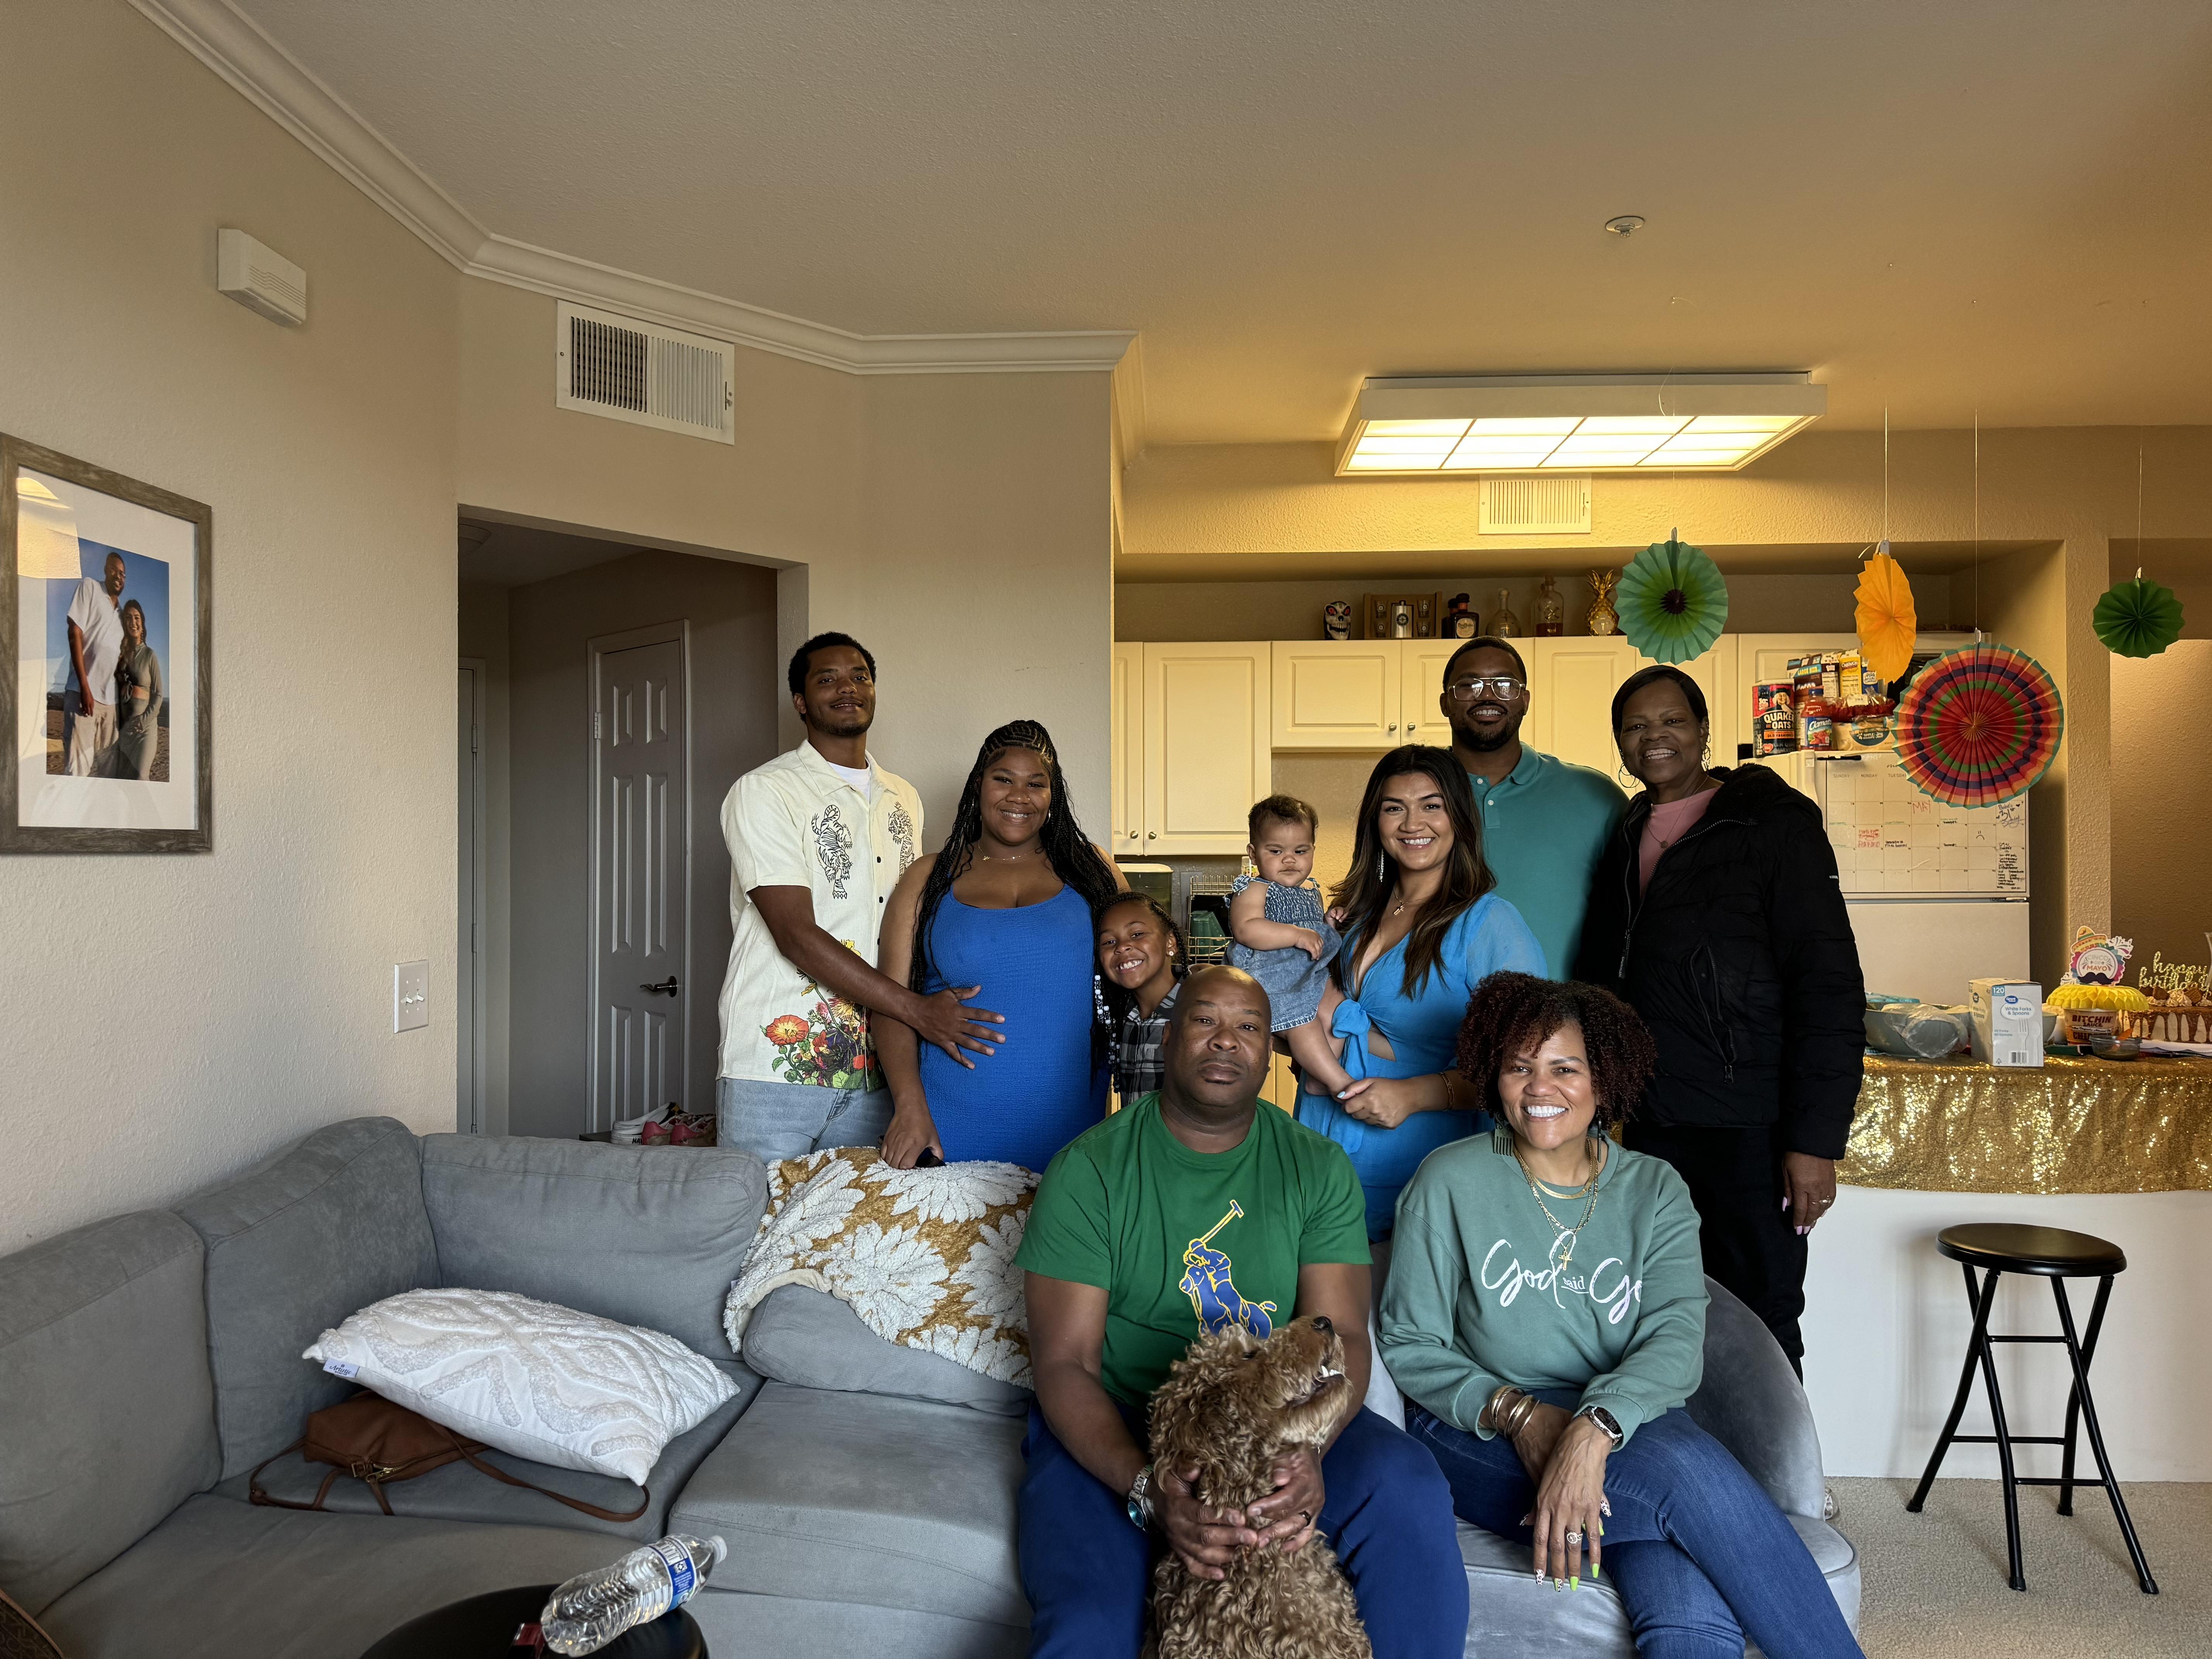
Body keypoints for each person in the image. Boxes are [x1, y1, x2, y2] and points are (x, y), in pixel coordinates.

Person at [1380, 972, 1865, 1659]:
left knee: (1683, 1589)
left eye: (1564, 1067)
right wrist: (1521, 1413)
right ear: (1495, 1077)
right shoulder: (1448, 1178)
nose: (1539, 1087)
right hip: (1479, 1428)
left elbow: (1674, 1335)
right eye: (1519, 1067)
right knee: (1686, 1477)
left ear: (1603, 1080)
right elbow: (1409, 1341)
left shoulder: (1653, 1188)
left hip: (1627, 1418)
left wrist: (1593, 1427)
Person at [1017, 965, 1469, 1659]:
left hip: (1271, 1427)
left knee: (1407, 1485)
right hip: (1119, 1421)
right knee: (1089, 1625)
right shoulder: (1091, 1169)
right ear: (1167, 1039)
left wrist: (1309, 1449)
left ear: (1271, 1051)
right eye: (1204, 1020)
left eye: (1249, 1027)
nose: (1225, 1040)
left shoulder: (1316, 1167)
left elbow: (1340, 1333)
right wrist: (1147, 1486)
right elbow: (1064, 1363)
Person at [1573, 665, 1865, 1372]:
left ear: (1703, 730)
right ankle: (1689, 1480)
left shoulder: (1771, 826)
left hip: (1748, 1124)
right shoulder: (1628, 832)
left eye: (1670, 721)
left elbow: (1826, 984)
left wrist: (1813, 1140)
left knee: (1761, 1315)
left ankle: (1785, 1485)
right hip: (1653, 1119)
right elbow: (1605, 971)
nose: (1654, 737)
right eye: (1636, 725)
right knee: (1663, 1309)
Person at [716, 632, 1003, 1163]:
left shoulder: (905, 797)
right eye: (827, 679)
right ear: (802, 702)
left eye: (860, 677)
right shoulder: (765, 791)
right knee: (753, 1228)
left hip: (879, 1070)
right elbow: (796, 935)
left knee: (850, 1236)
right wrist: (919, 1011)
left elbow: (908, 927)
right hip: (776, 1069)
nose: (847, 688)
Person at [1297, 745, 1546, 1238]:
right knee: (1318, 1314)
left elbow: (1530, 1071)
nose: (1413, 823)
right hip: (1322, 1154)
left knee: (1407, 1311)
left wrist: (1415, 1094)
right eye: (1395, 808)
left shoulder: (1490, 924)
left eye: (1432, 805)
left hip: (1421, 1171)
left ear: (1459, 816)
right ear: (1376, 820)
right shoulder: (1357, 917)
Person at [877, 720, 1125, 1170]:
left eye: (1036, 784)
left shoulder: (1093, 870)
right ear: (978, 786)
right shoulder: (929, 876)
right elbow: (889, 1003)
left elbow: (1137, 982)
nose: (1019, 796)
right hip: (949, 1122)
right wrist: (909, 1110)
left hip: (1072, 1126)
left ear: (1054, 796)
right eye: (1003, 780)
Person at [1441, 636, 1627, 978]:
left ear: (1525, 700)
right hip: (1426, 1026)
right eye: (1470, 685)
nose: (1488, 695)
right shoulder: (1414, 800)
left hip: (1563, 1021)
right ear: (1445, 703)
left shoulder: (1597, 797)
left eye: (1505, 685)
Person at [1226, 795, 1354, 1100]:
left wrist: (1329, 924)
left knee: (1337, 1007)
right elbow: (1246, 928)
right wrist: (1296, 935)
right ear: (1254, 854)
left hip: (1308, 972)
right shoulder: (1255, 888)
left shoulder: (1311, 890)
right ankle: (1338, 1082)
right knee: (1303, 1023)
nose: (1289, 860)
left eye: (1300, 851)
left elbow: (1314, 932)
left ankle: (1314, 1070)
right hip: (1272, 976)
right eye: (1276, 851)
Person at [1094, 891, 1185, 1103]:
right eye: (1109, 942)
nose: (1122, 947)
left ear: (1171, 942)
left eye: (1137, 934)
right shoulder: (1119, 1018)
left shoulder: (1197, 1010)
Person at [63, 551, 127, 777]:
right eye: (115, 570)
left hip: (111, 704)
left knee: (110, 773)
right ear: (105, 570)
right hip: (84, 696)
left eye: (123, 574)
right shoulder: (90, 587)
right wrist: (85, 687)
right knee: (78, 770)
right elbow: (75, 633)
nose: (119, 576)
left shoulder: (122, 616)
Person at [112, 599, 164, 782]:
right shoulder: (121, 656)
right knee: (125, 782)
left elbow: (158, 695)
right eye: (128, 618)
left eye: (136, 618)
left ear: (142, 623)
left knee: (141, 777)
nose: (133, 622)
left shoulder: (150, 655)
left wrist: (144, 721)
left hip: (145, 730)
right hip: (125, 732)